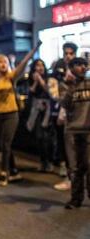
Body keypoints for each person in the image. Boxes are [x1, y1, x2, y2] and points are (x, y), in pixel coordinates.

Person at [0, 41, 41, 186]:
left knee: (7, 143)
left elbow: (23, 64)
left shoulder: (11, 77)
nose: (3, 64)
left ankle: (4, 172)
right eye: (0, 62)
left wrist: (35, 49)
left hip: (11, 114)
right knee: (3, 144)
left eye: (5, 62)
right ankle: (14, 171)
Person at [60, 57, 90, 209]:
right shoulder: (68, 85)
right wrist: (71, 86)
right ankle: (76, 198)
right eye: (78, 65)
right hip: (75, 130)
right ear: (71, 68)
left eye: (85, 64)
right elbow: (64, 104)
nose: (83, 67)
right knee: (77, 166)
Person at [50, 42, 78, 191]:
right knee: (66, 147)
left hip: (81, 115)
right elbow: (54, 93)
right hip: (64, 113)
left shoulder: (81, 68)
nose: (68, 56)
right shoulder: (58, 70)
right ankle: (70, 178)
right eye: (66, 53)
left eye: (71, 53)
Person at [26, 59, 53, 172]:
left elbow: (48, 90)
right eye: (37, 65)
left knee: (47, 137)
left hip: (48, 110)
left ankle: (49, 162)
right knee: (39, 137)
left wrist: (40, 80)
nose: (40, 67)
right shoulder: (31, 79)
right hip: (36, 109)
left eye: (42, 65)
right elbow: (31, 91)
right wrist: (35, 81)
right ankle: (42, 162)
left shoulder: (49, 77)